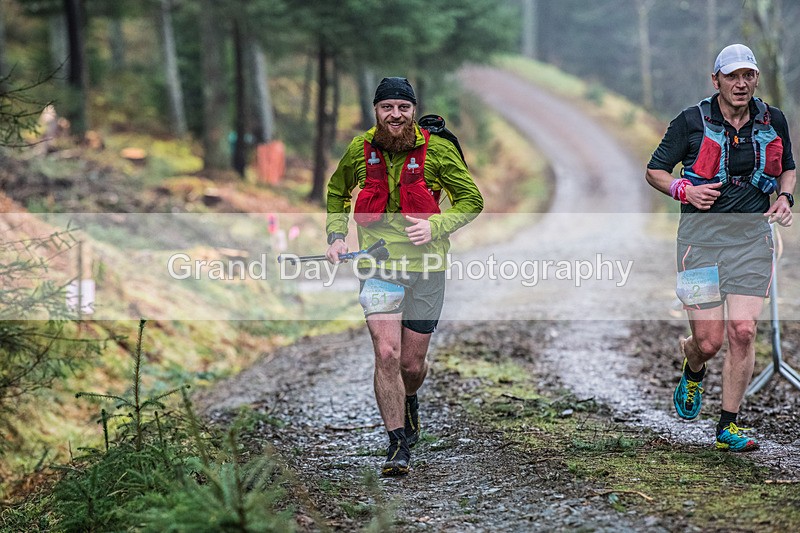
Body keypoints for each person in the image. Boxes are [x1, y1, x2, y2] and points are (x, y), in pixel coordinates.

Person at [325, 77, 483, 475]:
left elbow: (472, 200)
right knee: (387, 353)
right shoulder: (359, 150)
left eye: (403, 108)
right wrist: (337, 235)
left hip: (427, 269)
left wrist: (437, 227)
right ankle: (397, 444)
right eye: (387, 108)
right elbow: (337, 192)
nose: (395, 115)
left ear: (413, 110)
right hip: (378, 268)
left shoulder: (440, 151)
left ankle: (409, 400)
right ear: (375, 111)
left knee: (412, 365)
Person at [646, 44, 795, 451]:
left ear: (756, 79)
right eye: (732, 76)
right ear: (717, 81)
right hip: (699, 243)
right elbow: (654, 170)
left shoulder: (772, 119)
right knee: (709, 342)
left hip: (752, 242)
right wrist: (684, 190)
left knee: (743, 332)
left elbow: (787, 168)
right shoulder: (690, 122)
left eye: (748, 75)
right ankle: (692, 363)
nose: (741, 83)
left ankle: (727, 426)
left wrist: (785, 198)